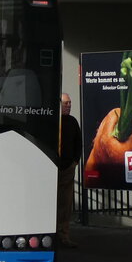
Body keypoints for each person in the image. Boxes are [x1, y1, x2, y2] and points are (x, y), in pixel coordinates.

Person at [57, 93, 83, 247]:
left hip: (67, 168)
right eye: (66, 103)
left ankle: (63, 235)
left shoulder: (72, 122)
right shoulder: (52, 121)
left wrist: (75, 162)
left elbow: (78, 142)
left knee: (66, 204)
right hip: (53, 167)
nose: (69, 106)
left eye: (70, 103)